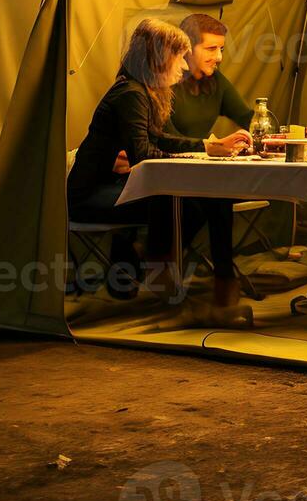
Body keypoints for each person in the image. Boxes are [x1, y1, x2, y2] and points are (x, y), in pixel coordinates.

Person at [67, 18, 252, 323]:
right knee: (177, 198)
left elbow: (160, 139)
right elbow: (144, 153)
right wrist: (201, 151)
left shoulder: (145, 90)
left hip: (115, 188)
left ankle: (169, 269)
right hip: (88, 197)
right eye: (179, 57)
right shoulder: (130, 94)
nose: (182, 66)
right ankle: (163, 272)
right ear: (159, 58)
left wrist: (208, 147)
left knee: (203, 199)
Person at [167, 13, 256, 139]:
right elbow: (166, 139)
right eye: (211, 49)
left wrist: (271, 134)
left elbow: (247, 118)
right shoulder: (168, 81)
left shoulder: (215, 79)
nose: (219, 57)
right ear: (187, 48)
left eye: (221, 49)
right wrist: (212, 145)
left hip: (200, 155)